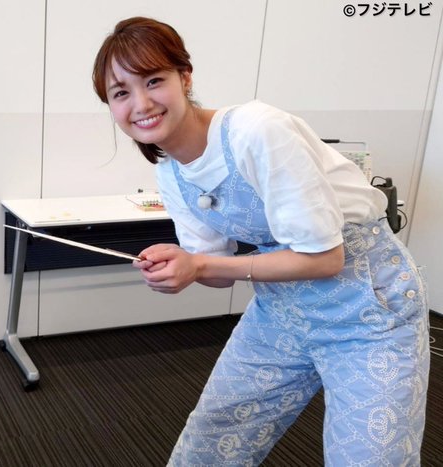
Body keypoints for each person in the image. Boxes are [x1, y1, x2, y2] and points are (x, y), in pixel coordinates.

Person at [92, 16, 430, 466]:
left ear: (185, 77)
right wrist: (180, 264)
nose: (141, 103)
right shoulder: (170, 173)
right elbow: (215, 273)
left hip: (368, 310)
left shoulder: (256, 130)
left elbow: (326, 259)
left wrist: (201, 265)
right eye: (121, 93)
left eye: (154, 81)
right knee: (209, 444)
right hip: (281, 310)